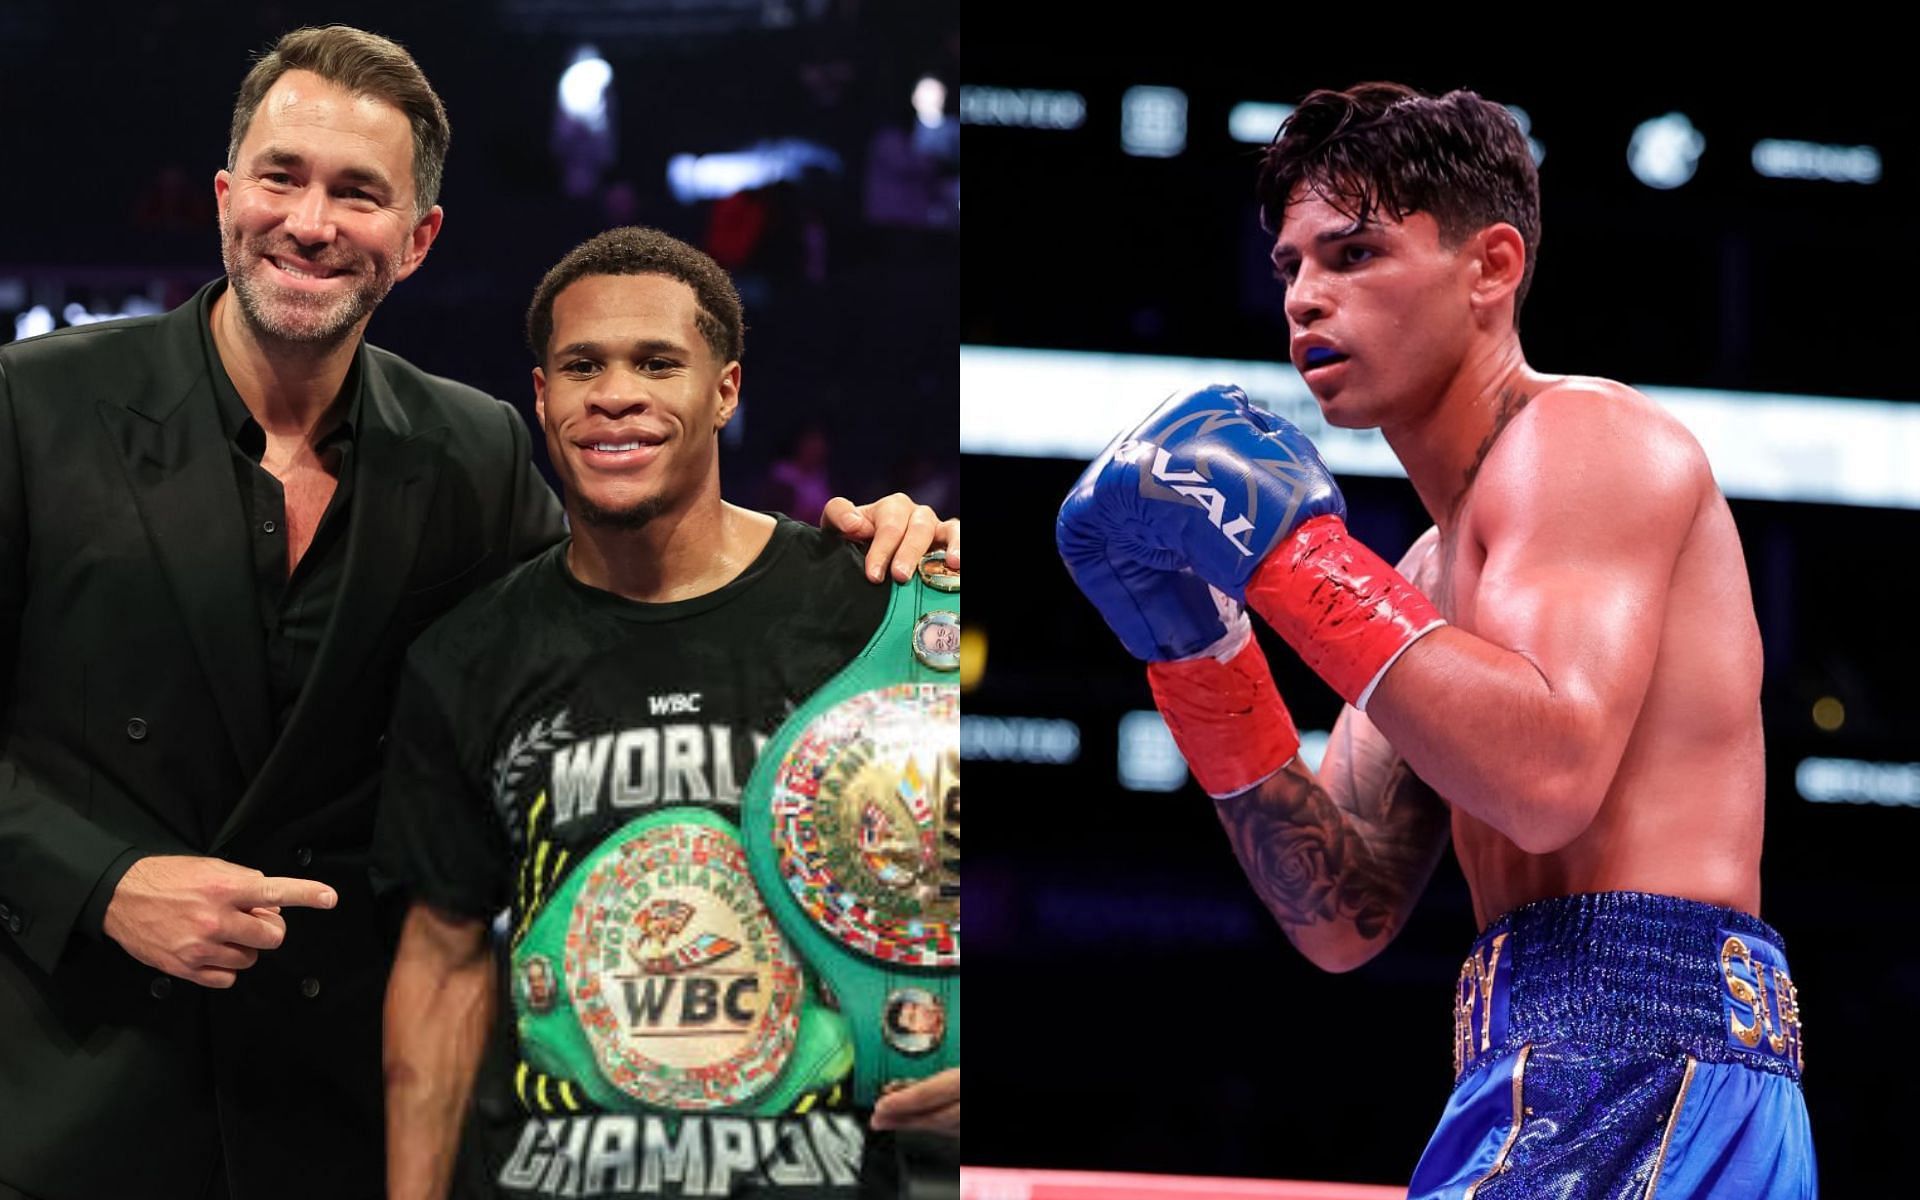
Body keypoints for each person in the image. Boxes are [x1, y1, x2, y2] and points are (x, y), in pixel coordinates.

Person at [0, 26, 951, 1200]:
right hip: (70, 1094)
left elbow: (622, 638)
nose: (311, 221)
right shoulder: (33, 408)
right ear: (224, 195)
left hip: (330, 1116)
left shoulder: (476, 448)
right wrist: (98, 884)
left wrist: (861, 552)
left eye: (359, 193)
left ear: (418, 238)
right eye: (282, 177)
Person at [1056, 82, 1814, 1198]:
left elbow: (1546, 777)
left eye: (1354, 255)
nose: (1306, 298)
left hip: (1648, 1071)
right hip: (1541, 1065)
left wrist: (1290, 560)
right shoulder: (1419, 573)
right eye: (1290, 266)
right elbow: (1342, 912)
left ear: (1492, 268)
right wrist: (1198, 652)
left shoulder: (1584, 438)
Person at [375, 226, 959, 1200]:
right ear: (541, 397)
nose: (615, 393)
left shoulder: (870, 606)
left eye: (657, 362)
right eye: (581, 366)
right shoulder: (467, 655)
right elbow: (440, 970)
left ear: (725, 389)